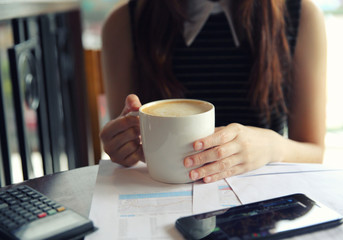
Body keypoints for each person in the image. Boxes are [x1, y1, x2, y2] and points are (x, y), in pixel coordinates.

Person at [99, 0, 327, 183]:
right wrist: (122, 144)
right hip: (158, 195)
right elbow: (127, 136)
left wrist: (272, 147)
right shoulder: (124, 23)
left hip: (260, 203)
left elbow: (315, 153)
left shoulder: (301, 15)